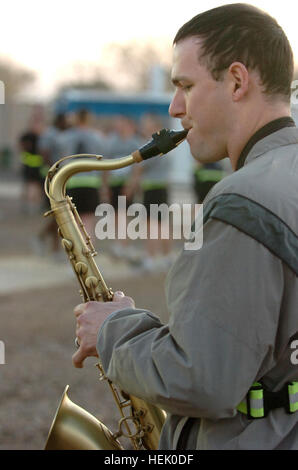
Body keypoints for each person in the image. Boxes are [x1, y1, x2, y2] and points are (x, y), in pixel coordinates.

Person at [71, 4, 298, 450]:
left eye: (186, 86)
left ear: (237, 80)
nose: (175, 108)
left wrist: (113, 330)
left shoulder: (243, 201)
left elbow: (204, 380)